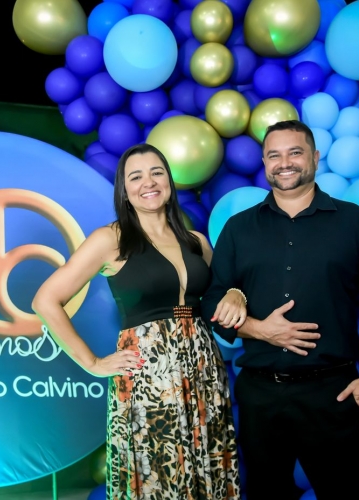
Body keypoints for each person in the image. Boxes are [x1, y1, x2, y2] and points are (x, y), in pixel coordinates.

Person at [202, 120, 359, 500]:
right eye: (274, 155)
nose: (285, 163)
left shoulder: (354, 222)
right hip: (260, 394)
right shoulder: (239, 228)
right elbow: (212, 301)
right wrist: (260, 329)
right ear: (264, 163)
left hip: (333, 393)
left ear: (314, 156)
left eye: (295, 152)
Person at [33, 143, 241, 499]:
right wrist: (92, 362)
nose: (149, 182)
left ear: (169, 182)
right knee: (160, 475)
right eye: (136, 176)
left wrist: (237, 292)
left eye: (157, 172)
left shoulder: (196, 242)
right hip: (149, 377)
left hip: (203, 371)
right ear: (124, 190)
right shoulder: (110, 239)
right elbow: (45, 300)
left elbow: (222, 293)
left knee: (208, 469)